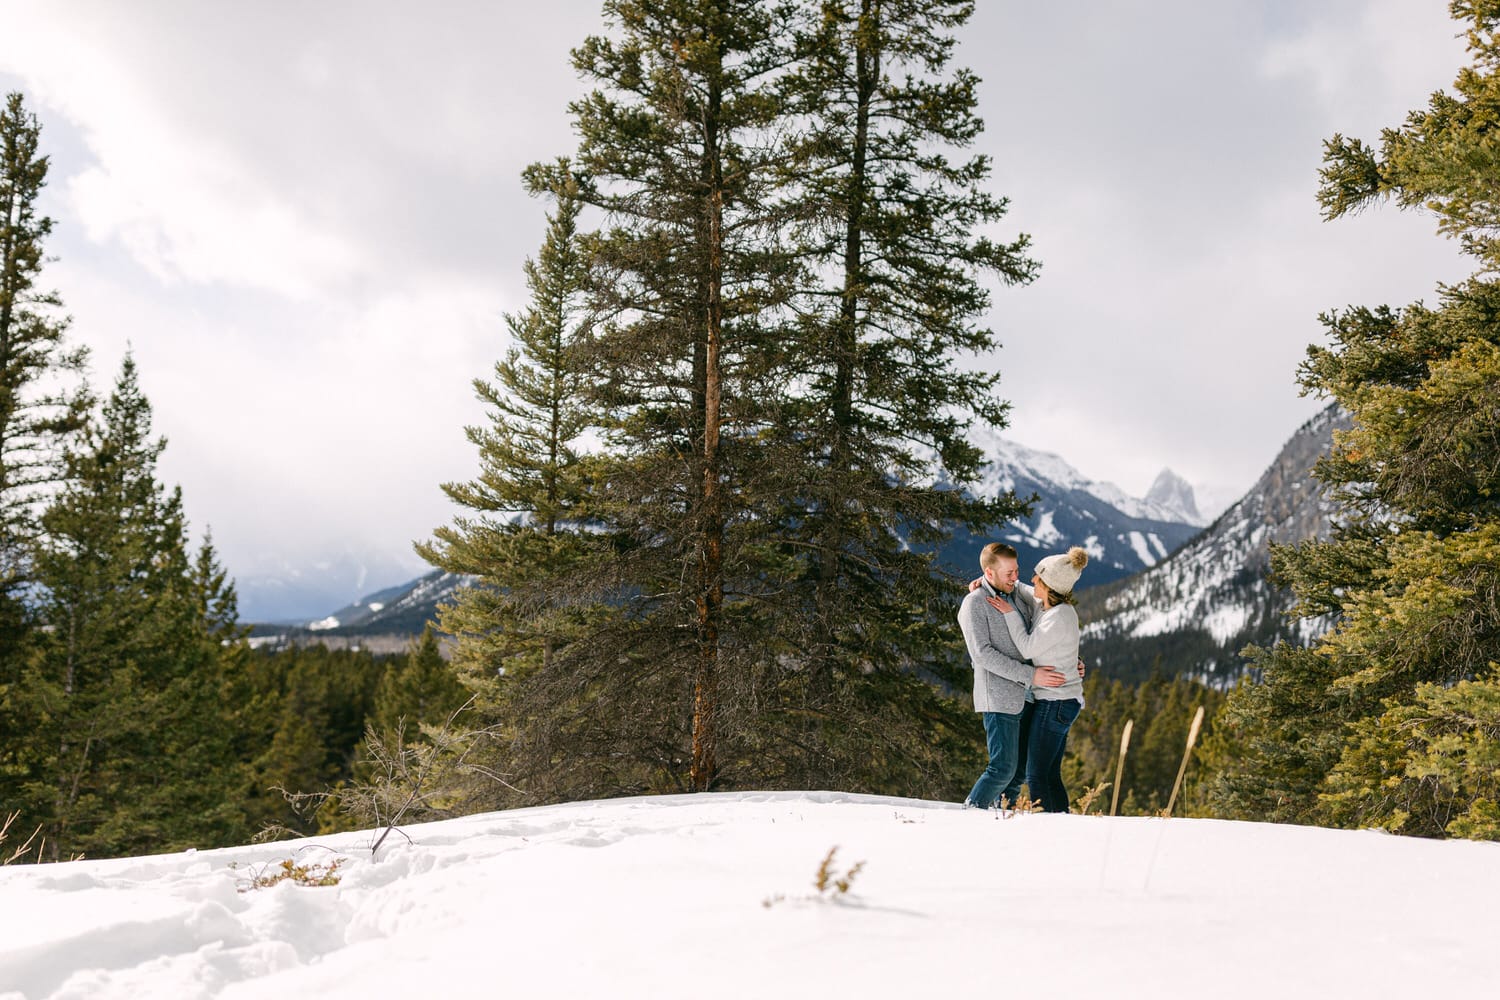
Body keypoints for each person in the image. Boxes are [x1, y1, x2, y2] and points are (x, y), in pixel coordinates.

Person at [957, 543, 1070, 809]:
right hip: (999, 697)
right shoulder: (974, 603)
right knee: (1003, 768)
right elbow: (982, 654)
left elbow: (1049, 622)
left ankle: (1001, 816)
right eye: (1008, 573)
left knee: (1018, 773)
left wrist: (1070, 662)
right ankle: (971, 811)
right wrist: (1030, 675)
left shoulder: (1019, 595)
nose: (1015, 577)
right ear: (989, 572)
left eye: (1016, 570)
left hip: (1029, 696)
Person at [986, 545, 1089, 813]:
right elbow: (1022, 589)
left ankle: (1046, 827)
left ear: (1049, 584)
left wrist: (1009, 614)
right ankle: (1062, 821)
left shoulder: (1057, 616)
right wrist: (987, 580)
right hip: (1061, 701)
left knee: (1036, 775)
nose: (1032, 581)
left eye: (1037, 578)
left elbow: (1028, 648)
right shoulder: (1051, 605)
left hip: (1055, 702)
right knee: (1049, 773)